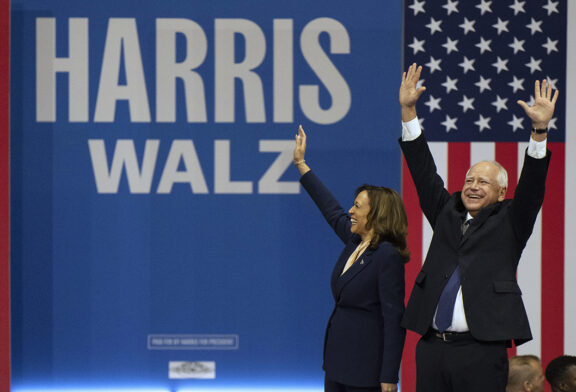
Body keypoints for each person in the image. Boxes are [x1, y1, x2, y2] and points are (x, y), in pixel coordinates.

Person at [398, 62, 559, 392]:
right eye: (469, 179)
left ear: (501, 192)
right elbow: (423, 172)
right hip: (431, 348)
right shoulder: (446, 212)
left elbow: (532, 186)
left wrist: (539, 131)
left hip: (481, 350)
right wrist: (408, 111)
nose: (472, 186)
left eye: (483, 182)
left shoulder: (512, 219)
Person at [293, 125, 408, 392]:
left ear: (376, 215)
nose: (350, 211)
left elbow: (394, 320)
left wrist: (390, 376)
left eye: (357, 206)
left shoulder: (387, 255)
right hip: (337, 362)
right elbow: (330, 208)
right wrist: (301, 165)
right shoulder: (356, 240)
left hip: (366, 370)